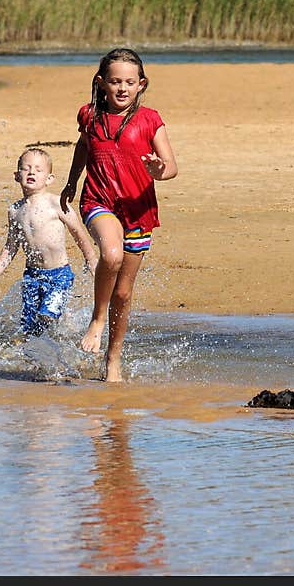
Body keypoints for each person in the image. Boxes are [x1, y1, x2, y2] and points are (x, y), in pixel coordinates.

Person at [60, 48, 178, 382]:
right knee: (110, 255)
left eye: (129, 82)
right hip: (98, 201)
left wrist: (159, 170)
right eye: (114, 82)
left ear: (142, 84)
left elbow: (172, 167)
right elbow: (83, 146)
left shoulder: (150, 119)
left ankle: (113, 360)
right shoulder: (90, 115)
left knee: (123, 293)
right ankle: (97, 319)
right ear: (102, 83)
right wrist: (72, 182)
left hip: (138, 210)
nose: (122, 88)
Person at [0, 148, 98, 336]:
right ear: (17, 176)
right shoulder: (15, 210)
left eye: (38, 169)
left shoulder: (57, 203)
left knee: (47, 316)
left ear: (49, 178)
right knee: (29, 327)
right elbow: (11, 246)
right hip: (32, 276)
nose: (31, 172)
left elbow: (78, 233)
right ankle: (35, 358)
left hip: (59, 275)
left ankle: (67, 337)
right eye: (26, 169)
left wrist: (91, 259)